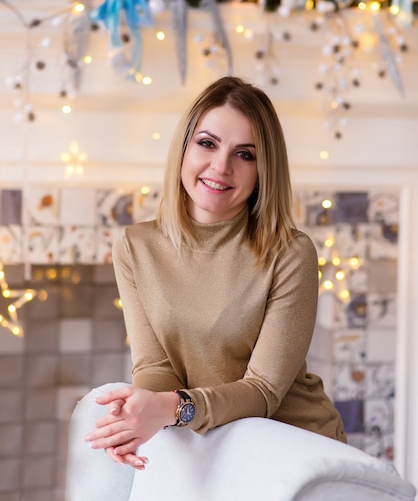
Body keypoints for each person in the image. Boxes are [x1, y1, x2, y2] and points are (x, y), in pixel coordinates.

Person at [83, 75, 346, 472]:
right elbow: (155, 367)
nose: (220, 166)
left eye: (245, 154)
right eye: (207, 143)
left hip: (295, 452)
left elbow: (264, 391)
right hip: (207, 446)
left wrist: (174, 408)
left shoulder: (291, 253)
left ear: (263, 170)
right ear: (184, 149)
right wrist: (139, 417)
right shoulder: (135, 246)